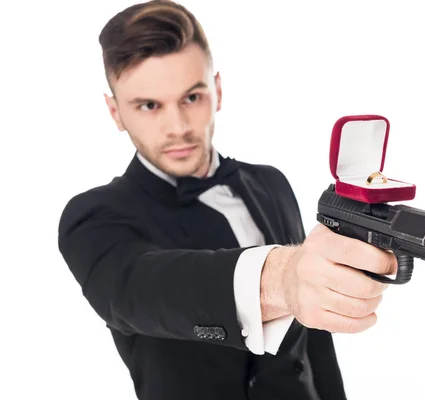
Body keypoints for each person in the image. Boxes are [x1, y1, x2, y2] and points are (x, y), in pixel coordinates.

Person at [57, 1, 398, 399]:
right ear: (115, 112)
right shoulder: (92, 218)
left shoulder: (271, 183)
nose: (178, 127)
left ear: (217, 90)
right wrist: (283, 279)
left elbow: (315, 344)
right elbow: (140, 291)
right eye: (149, 106)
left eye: (192, 97)